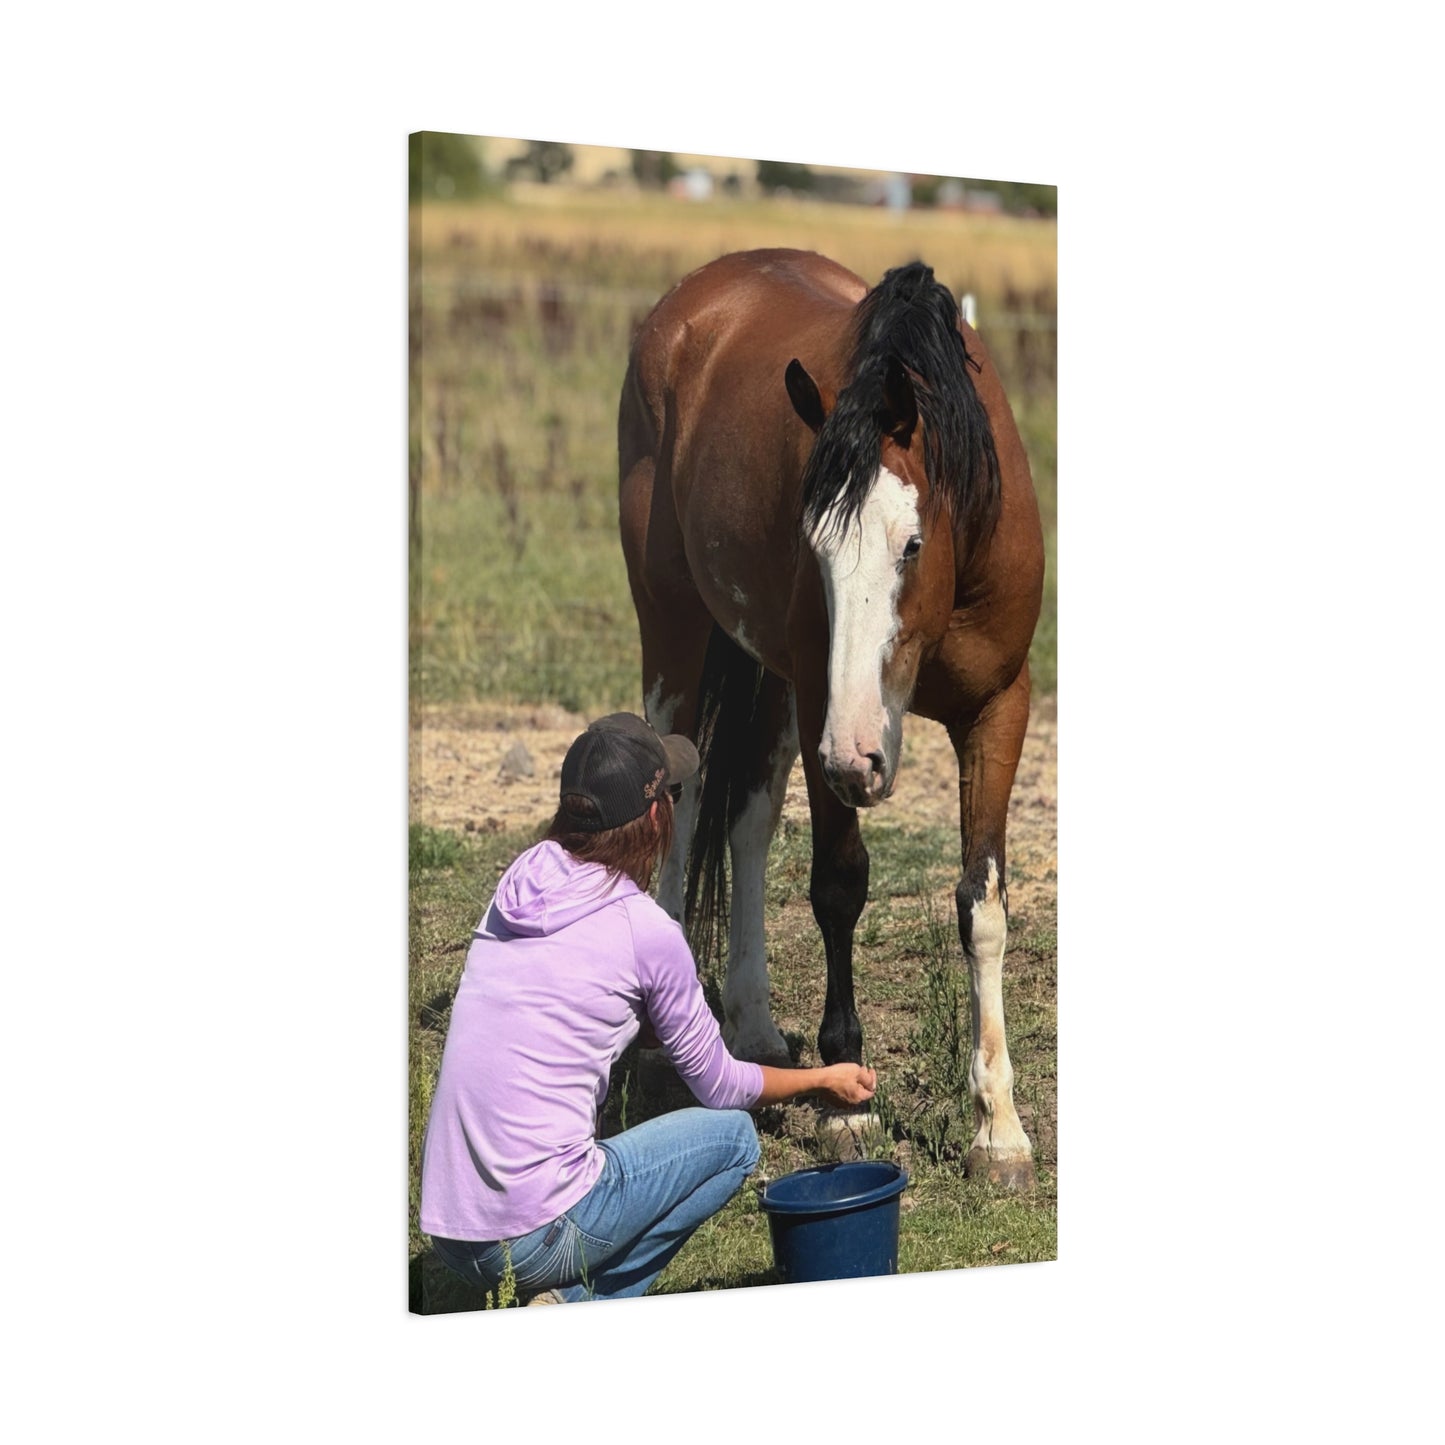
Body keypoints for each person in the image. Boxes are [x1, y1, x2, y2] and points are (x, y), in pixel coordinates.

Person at [420, 711, 877, 1305]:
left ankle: (529, 1288)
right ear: (657, 815)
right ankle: (576, 1304)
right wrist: (821, 1079)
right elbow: (721, 1087)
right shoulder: (645, 930)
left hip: (450, 1230)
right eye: (673, 795)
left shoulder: (518, 884)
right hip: (535, 1235)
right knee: (734, 1140)